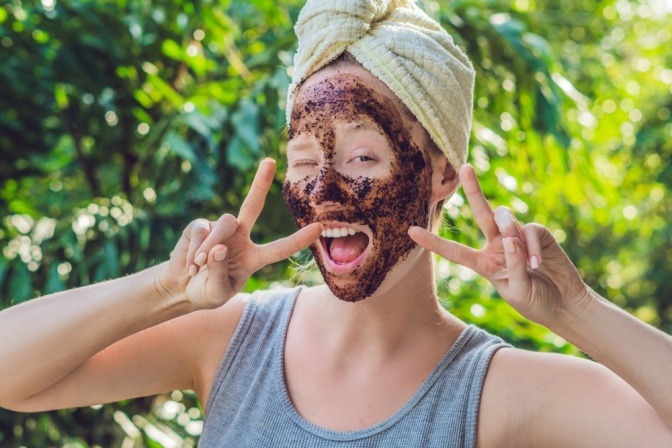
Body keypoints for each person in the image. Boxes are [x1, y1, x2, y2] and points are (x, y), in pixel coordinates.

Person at [1, 0, 671, 446]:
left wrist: (576, 309)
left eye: (362, 157)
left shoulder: (496, 391)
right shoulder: (230, 342)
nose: (325, 191)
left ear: (441, 175)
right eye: (303, 159)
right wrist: (167, 288)